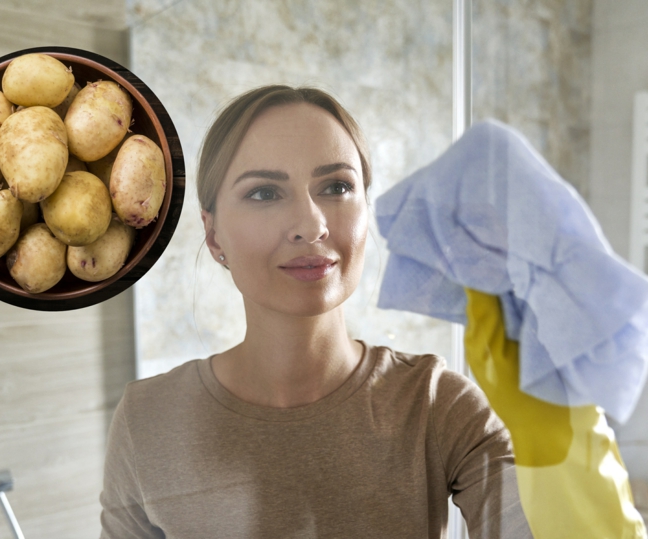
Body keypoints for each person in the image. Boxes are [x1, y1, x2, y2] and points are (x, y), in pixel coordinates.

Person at [99, 85, 532, 538]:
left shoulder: (437, 406)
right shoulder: (146, 421)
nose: (311, 226)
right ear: (213, 235)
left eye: (337, 187)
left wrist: (557, 415)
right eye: (265, 193)